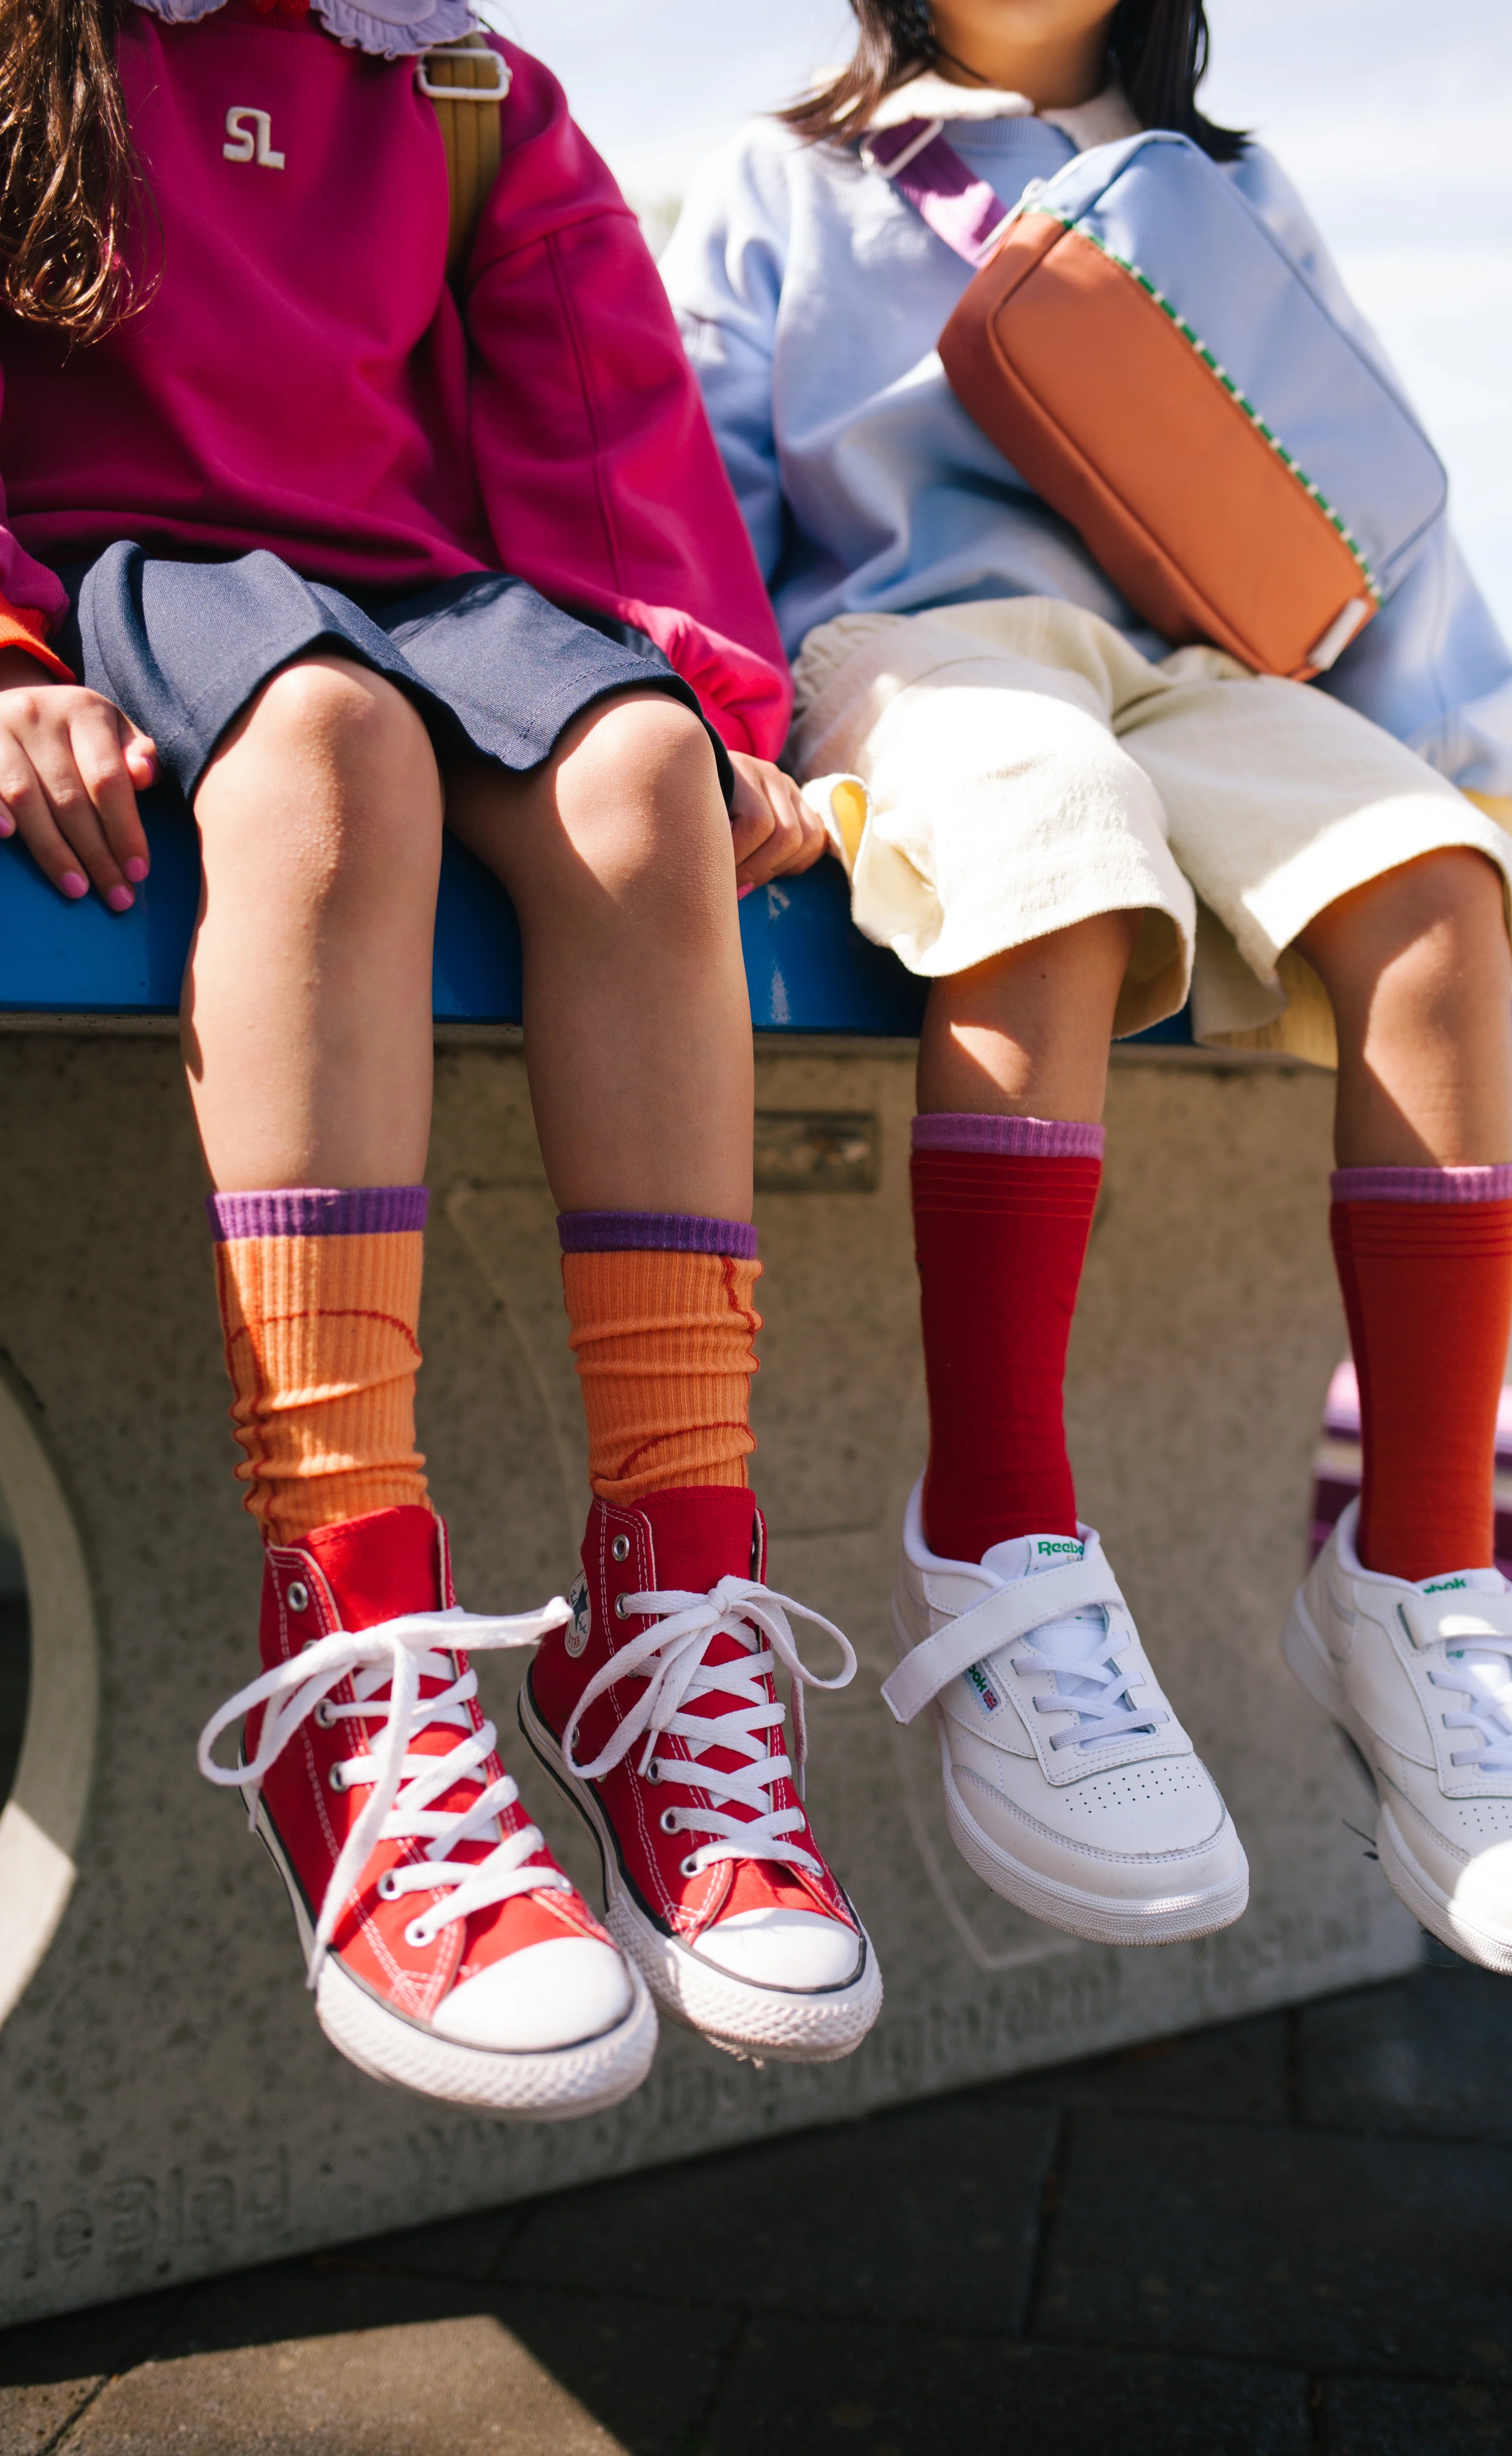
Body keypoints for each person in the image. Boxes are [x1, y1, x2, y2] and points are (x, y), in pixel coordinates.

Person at [664, 0, 1512, 1977]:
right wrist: (719, 726)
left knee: (1439, 886)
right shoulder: (791, 180)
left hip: (1202, 673)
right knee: (1050, 822)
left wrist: (1473, 772)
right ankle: (992, 1528)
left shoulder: (1229, 192)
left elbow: (1360, 503)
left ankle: (1419, 1571)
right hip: (915, 649)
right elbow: (694, 479)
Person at [0, 0, 881, 2117]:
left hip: (416, 593)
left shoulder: (458, 84)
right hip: (120, 577)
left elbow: (601, 441)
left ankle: (665, 1624)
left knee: (646, 785)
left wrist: (714, 707)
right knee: (325, 753)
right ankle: (346, 1636)